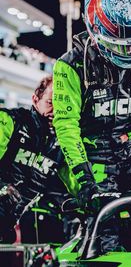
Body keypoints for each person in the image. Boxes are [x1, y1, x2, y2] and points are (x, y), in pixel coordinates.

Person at [53, 0, 131, 253]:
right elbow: (66, 126)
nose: (129, 51)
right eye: (121, 43)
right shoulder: (69, 67)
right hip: (93, 157)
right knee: (104, 239)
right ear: (95, 31)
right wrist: (83, 180)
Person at [0, 75, 73, 243]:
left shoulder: (63, 144)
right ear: (35, 99)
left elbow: (77, 185)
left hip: (7, 227)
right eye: (50, 102)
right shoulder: (9, 122)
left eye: (61, 105)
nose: (55, 111)